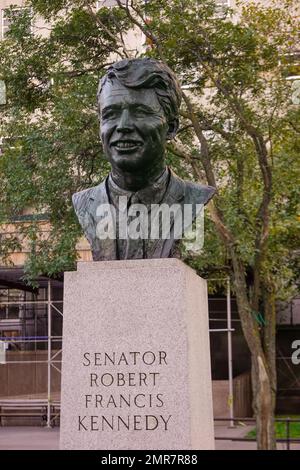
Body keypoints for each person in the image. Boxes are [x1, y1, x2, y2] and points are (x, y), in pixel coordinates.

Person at [72, 58, 215, 261]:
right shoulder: (85, 204)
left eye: (140, 112)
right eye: (110, 114)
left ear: (171, 127)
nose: (122, 126)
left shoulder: (193, 199)